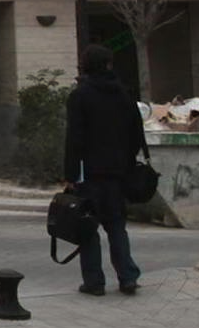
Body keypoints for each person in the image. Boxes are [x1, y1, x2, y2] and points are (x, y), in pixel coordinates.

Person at [63, 43, 148, 296]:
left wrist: (70, 175)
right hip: (118, 173)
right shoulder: (124, 94)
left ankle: (94, 281)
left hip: (89, 174)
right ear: (109, 64)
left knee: (88, 228)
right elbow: (137, 135)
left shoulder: (80, 96)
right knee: (117, 226)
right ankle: (127, 276)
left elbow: (74, 139)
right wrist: (126, 162)